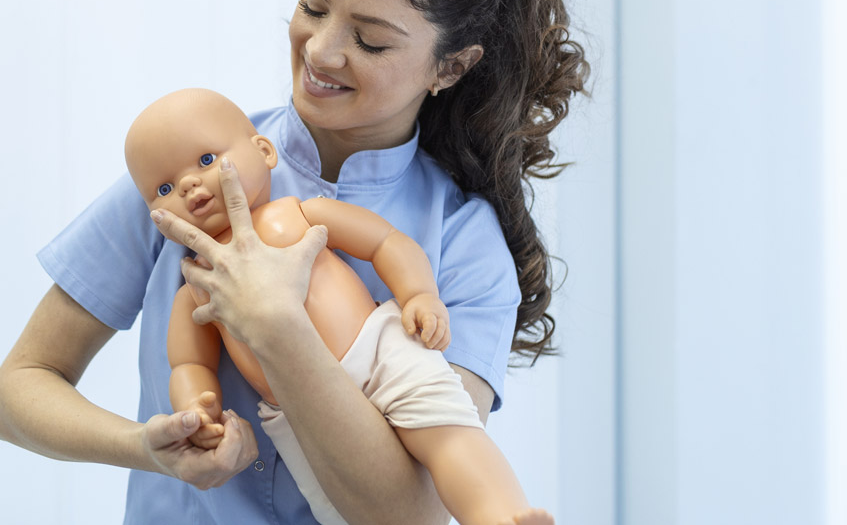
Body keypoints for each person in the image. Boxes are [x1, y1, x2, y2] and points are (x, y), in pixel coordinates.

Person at [0, 0, 588, 525]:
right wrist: (147, 449)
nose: (321, 51)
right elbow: (17, 392)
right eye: (313, 5)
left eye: (370, 40)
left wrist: (276, 326)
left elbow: (412, 515)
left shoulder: (465, 242)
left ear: (449, 66)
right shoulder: (186, 178)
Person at [125, 88, 550, 525]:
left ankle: (502, 517)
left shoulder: (296, 213)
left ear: (264, 151)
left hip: (380, 351)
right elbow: (188, 364)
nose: (189, 184)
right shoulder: (196, 287)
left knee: (448, 434)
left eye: (207, 160)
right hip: (299, 410)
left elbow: (384, 242)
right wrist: (196, 409)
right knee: (337, 509)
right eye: (164, 188)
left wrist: (419, 293)